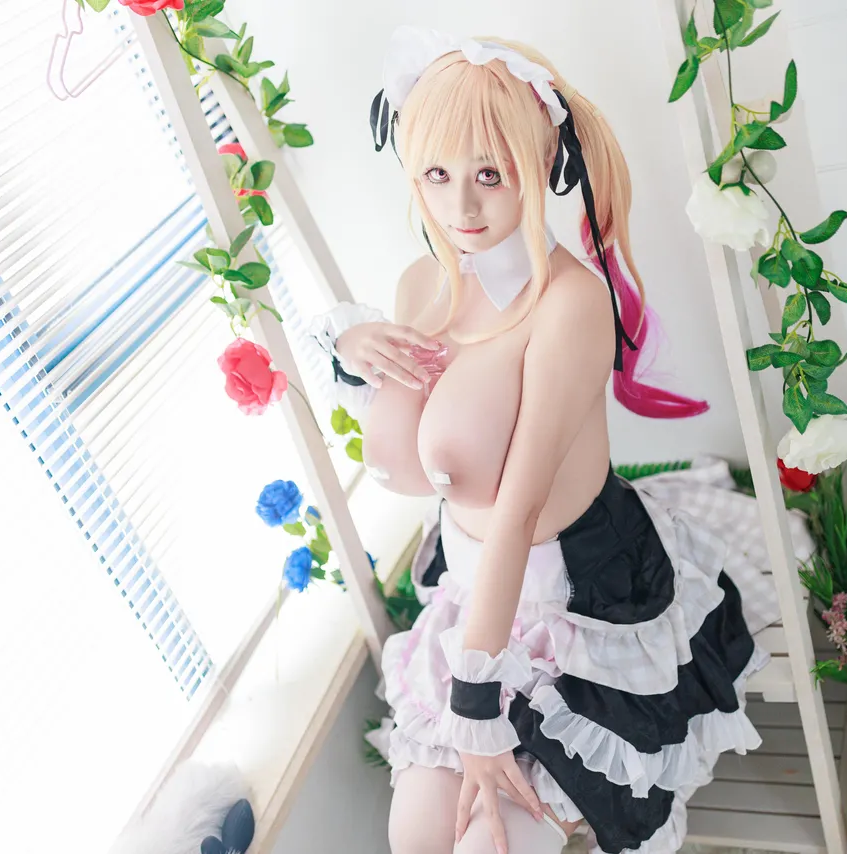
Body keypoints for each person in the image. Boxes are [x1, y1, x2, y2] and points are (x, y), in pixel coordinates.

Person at [308, 26, 784, 854]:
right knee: (414, 839)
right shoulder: (420, 283)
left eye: (490, 175)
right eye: (436, 174)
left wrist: (477, 710)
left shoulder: (571, 304)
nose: (461, 208)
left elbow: (520, 509)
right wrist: (353, 350)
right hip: (473, 596)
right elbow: (417, 464)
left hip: (579, 608)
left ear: (541, 166)